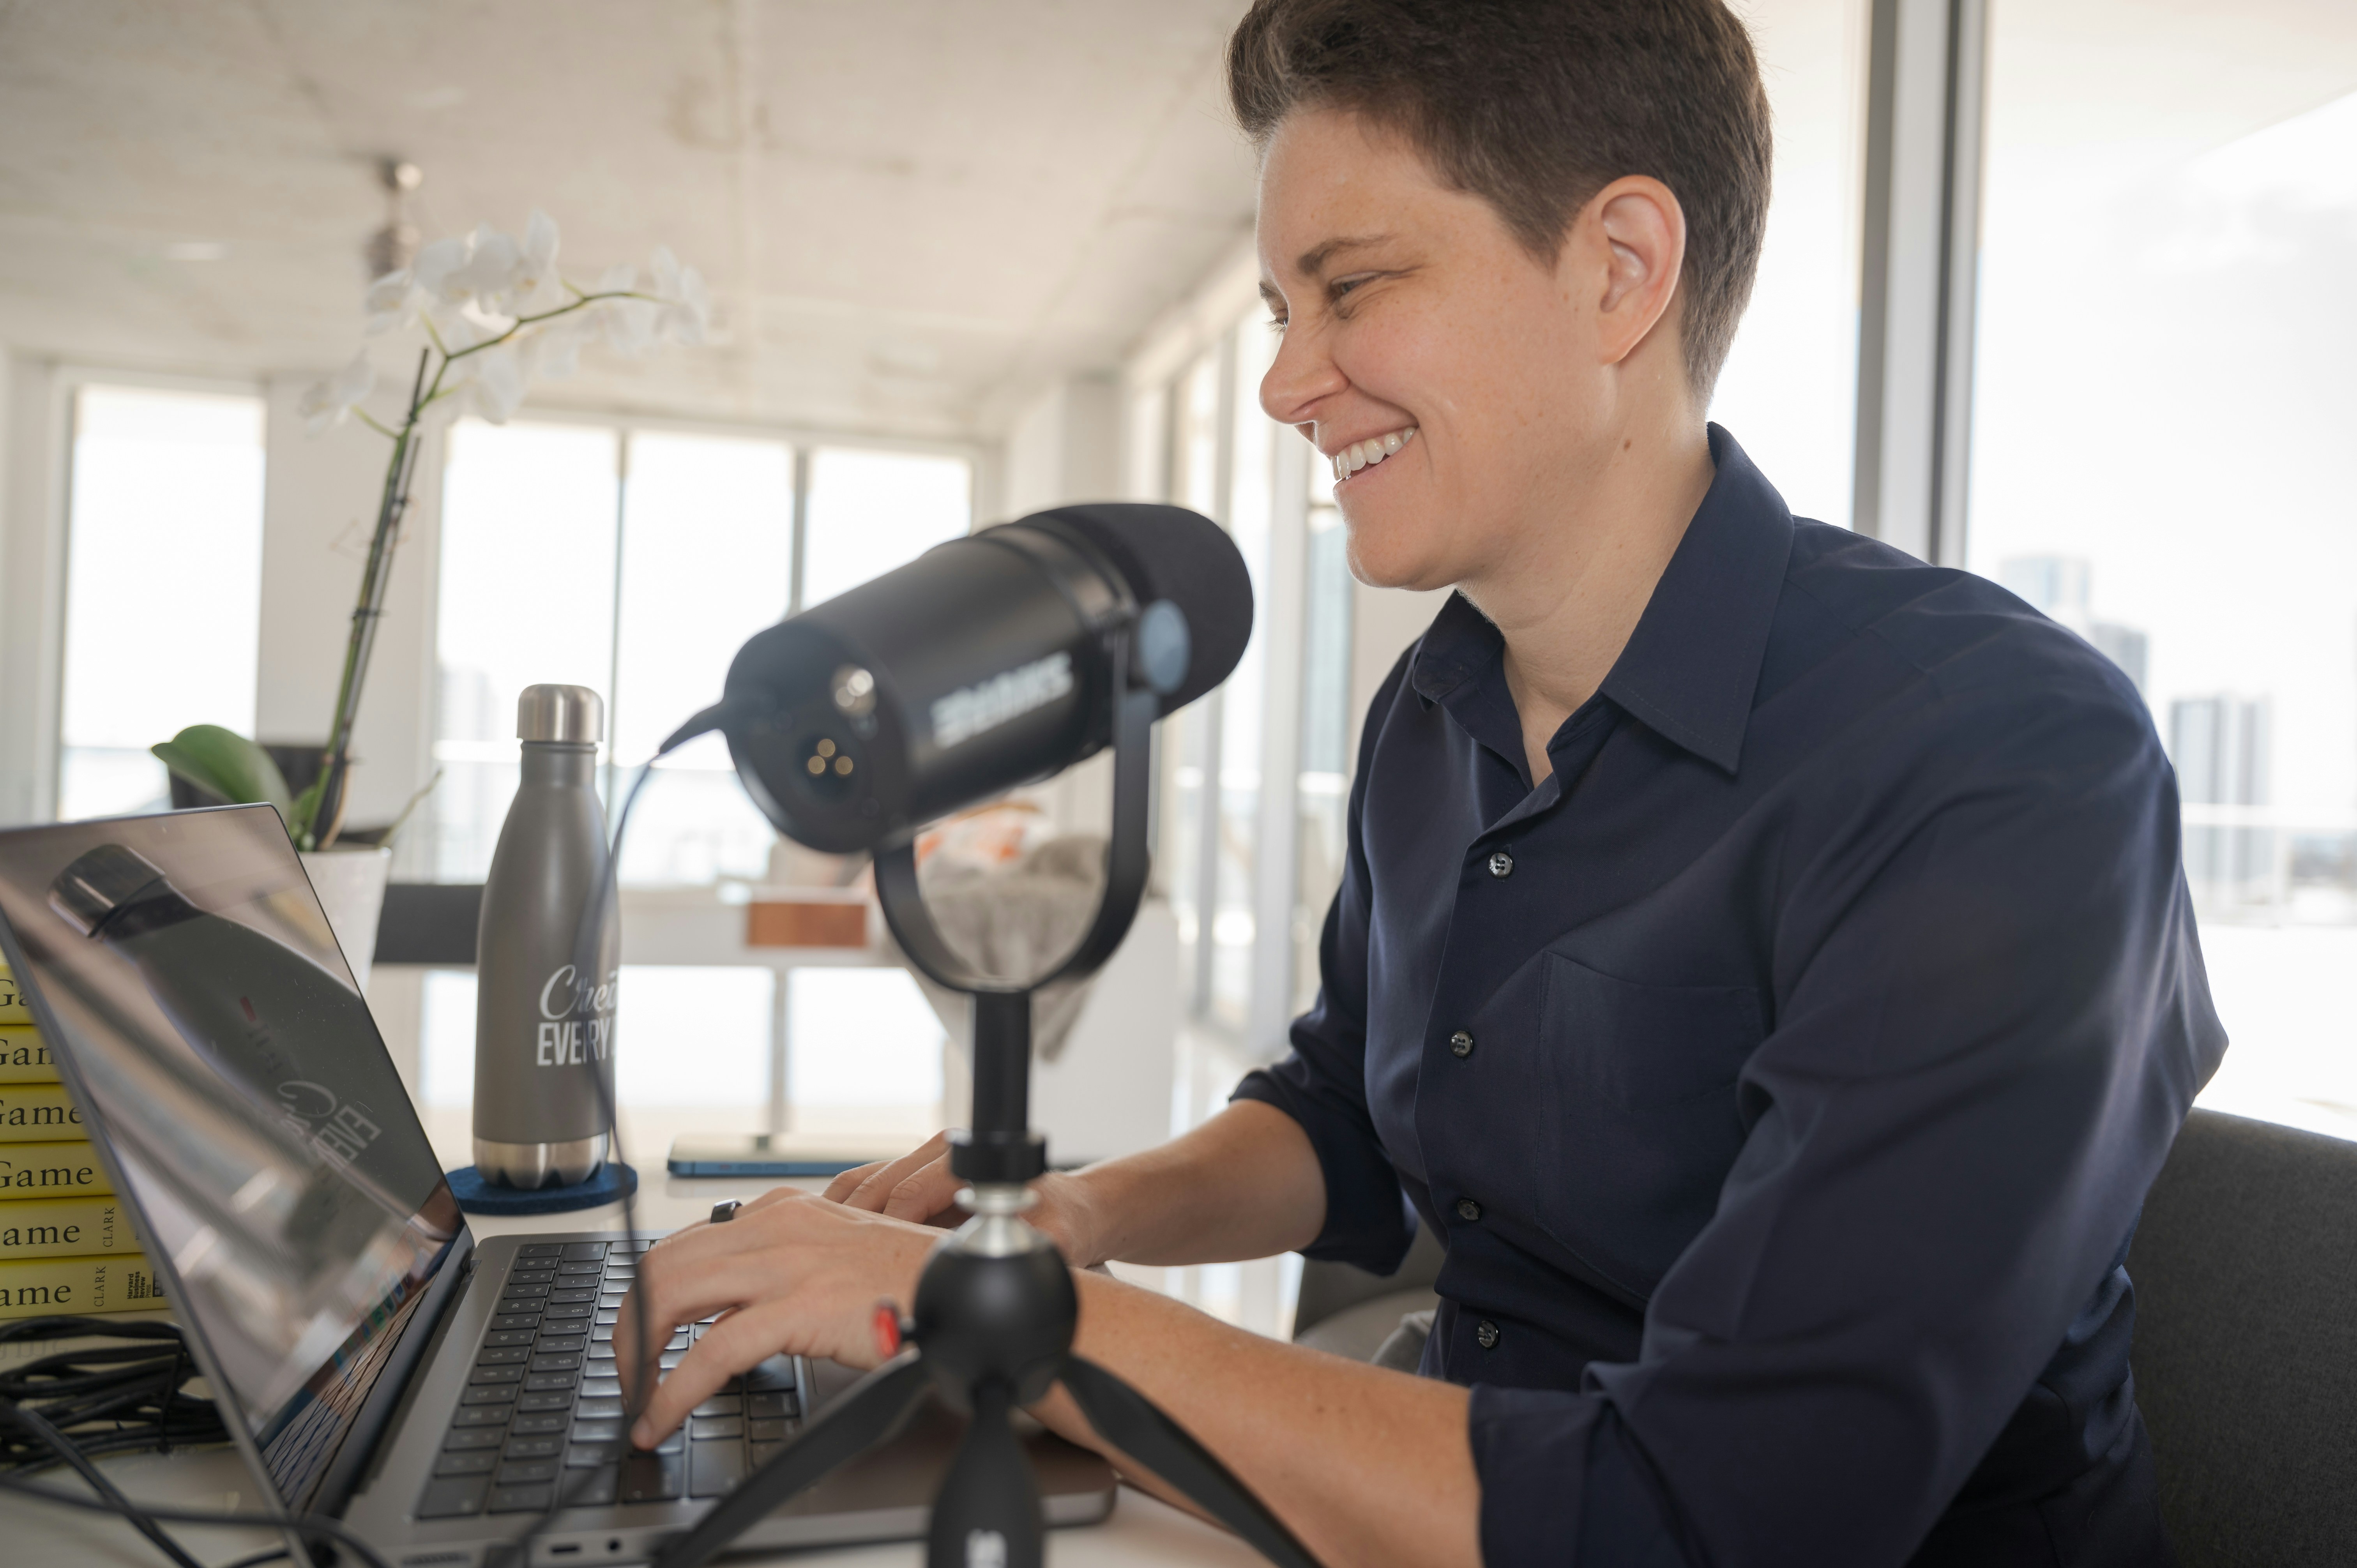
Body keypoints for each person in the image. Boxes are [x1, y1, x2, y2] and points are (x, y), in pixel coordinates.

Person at [618, 2, 2225, 1562]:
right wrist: (1066, 1222)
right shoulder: (1433, 709)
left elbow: (1712, 1514)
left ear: (1620, 272)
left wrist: (1015, 1321)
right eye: (1277, 314)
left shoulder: (2002, 761)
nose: (1284, 383)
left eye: (1355, 289)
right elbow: (1347, 1118)